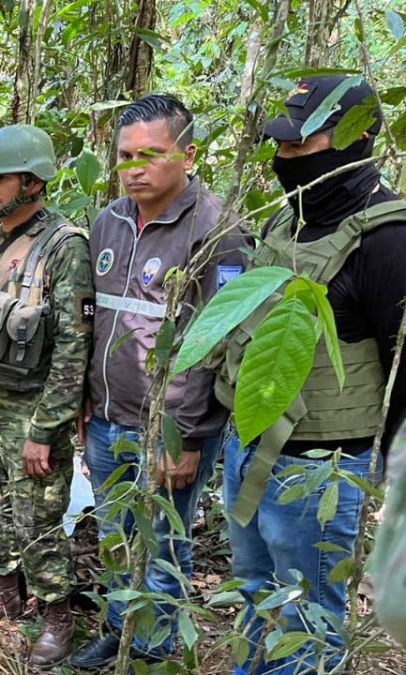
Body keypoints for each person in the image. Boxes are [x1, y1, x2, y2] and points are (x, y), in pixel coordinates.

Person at [216, 75, 406, 674]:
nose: (285, 160)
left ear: (356, 140)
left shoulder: (387, 239)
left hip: (322, 472)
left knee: (307, 623)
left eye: (302, 146)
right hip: (249, 448)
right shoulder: (285, 223)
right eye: (281, 146)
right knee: (254, 595)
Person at [72, 94, 249, 667]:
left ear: (189, 154)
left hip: (169, 428)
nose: (135, 169)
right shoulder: (108, 221)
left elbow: (222, 342)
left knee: (163, 542)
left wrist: (190, 434)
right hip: (105, 418)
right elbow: (93, 322)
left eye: (151, 154)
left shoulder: (218, 230)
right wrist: (83, 402)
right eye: (125, 156)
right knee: (117, 535)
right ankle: (121, 627)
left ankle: (152, 650)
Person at [0, 125, 93, 668]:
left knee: (37, 518)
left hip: (29, 408)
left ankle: (57, 616)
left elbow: (74, 352)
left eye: (0, 178)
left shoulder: (64, 247)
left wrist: (44, 430)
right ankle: (6, 590)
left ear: (33, 181)